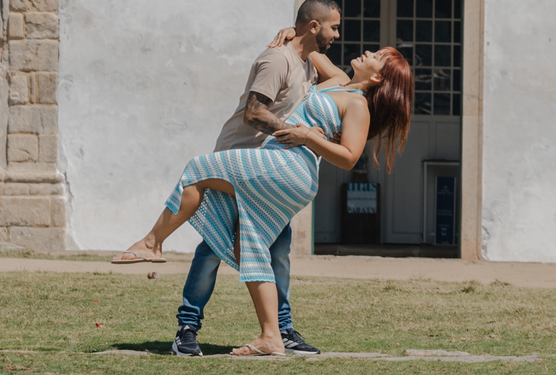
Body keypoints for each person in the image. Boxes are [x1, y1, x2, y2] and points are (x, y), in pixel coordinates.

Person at [114, 36, 413, 359]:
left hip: (288, 167)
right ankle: (272, 336)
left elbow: (349, 157)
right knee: (249, 247)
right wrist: (292, 30)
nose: (368, 51)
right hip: (281, 168)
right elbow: (310, 49)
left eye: (377, 56)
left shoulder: (357, 104)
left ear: (378, 77)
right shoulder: (339, 81)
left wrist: (308, 136)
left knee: (198, 170)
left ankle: (152, 243)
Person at [169, 0, 347, 357]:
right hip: (237, 163)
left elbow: (341, 78)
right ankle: (186, 329)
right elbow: (253, 113)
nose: (338, 35)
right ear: (315, 26)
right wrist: (297, 133)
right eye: (334, 27)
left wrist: (303, 42)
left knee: (278, 249)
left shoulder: (306, 63)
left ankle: (281, 331)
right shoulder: (276, 60)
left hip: (268, 169)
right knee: (213, 249)